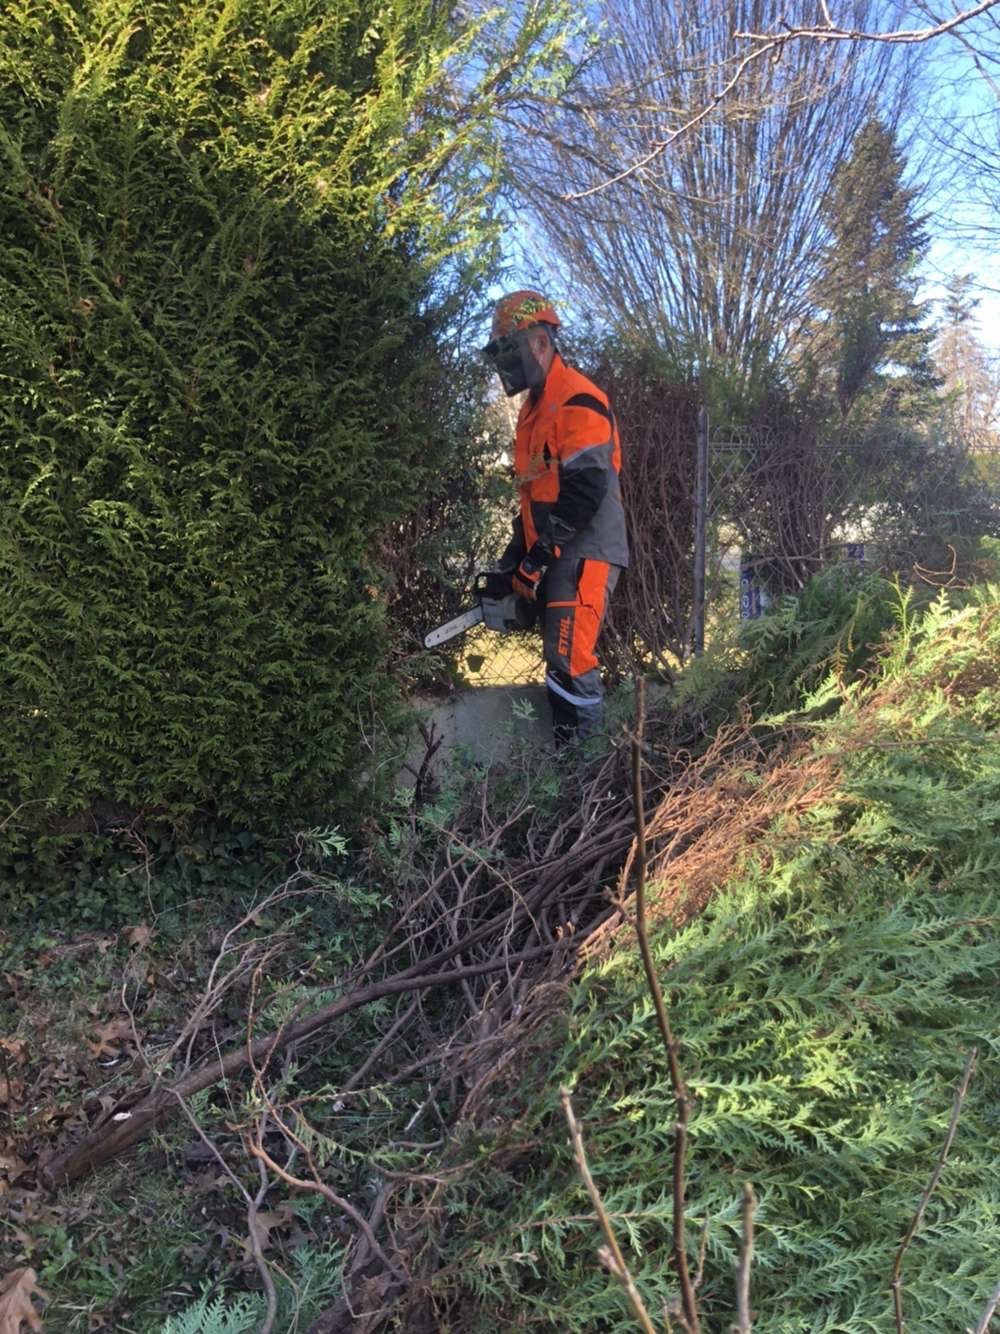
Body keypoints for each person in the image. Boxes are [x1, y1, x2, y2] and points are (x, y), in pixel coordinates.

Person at [482, 290, 629, 742]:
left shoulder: (578, 400)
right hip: (560, 549)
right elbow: (535, 496)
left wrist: (539, 556)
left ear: (540, 344)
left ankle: (588, 776)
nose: (507, 362)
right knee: (561, 660)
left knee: (572, 660)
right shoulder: (532, 412)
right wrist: (516, 558)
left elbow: (585, 489)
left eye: (512, 349)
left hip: (584, 549)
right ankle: (574, 773)